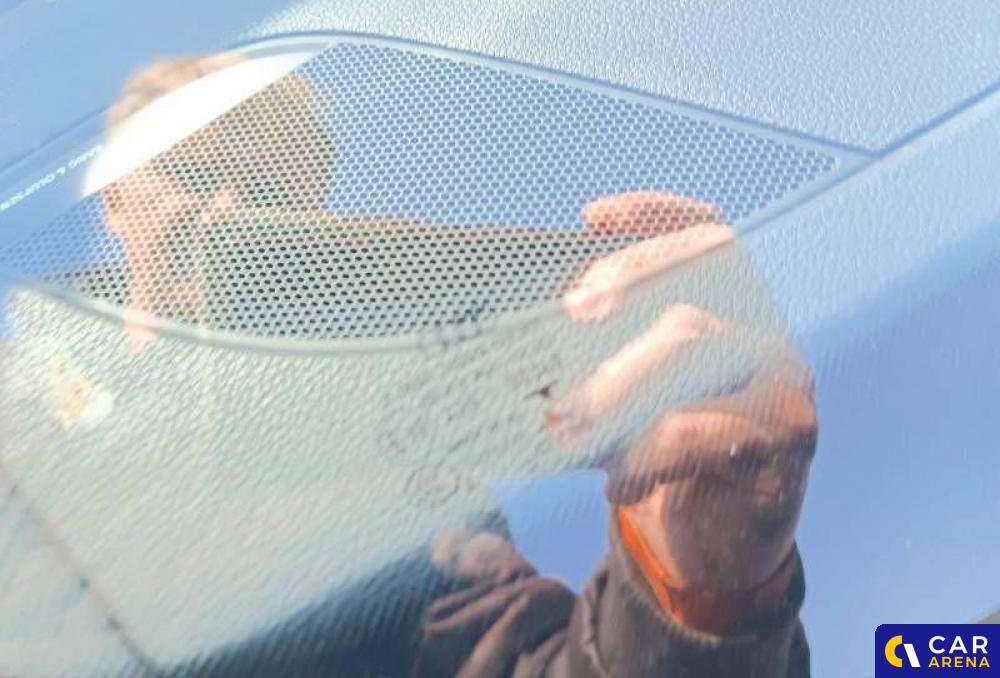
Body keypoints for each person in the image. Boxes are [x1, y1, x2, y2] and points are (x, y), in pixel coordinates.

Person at [103, 55, 818, 677]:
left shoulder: (377, 468)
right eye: (193, 173)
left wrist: (700, 588)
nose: (223, 212)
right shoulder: (42, 410)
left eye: (266, 202)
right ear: (115, 200)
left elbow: (513, 657)